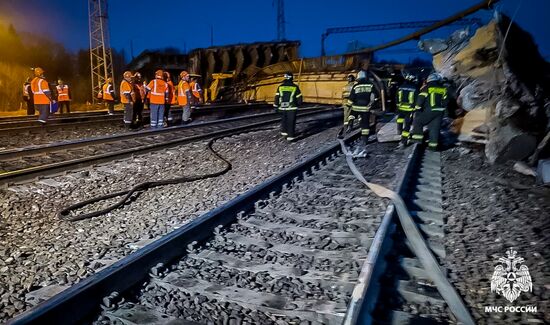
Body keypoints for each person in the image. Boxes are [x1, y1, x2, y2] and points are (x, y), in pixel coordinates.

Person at [410, 72, 449, 151]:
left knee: (418, 121)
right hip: (440, 112)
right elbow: (445, 101)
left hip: (430, 110)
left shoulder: (426, 88)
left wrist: (417, 109)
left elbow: (420, 99)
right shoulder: (443, 89)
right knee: (434, 129)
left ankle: (417, 140)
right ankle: (433, 147)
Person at [347, 70, 379, 158]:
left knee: (352, 115)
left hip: (356, 107)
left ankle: (350, 124)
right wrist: (371, 104)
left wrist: (348, 105)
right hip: (365, 108)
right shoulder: (371, 85)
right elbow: (374, 96)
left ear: (358, 77)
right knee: (365, 125)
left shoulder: (356, 86)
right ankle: (364, 140)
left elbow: (351, 98)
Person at [274, 71, 303, 141]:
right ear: (291, 78)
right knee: (291, 121)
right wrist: (298, 104)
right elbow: (299, 98)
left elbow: (277, 97)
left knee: (284, 120)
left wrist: (276, 106)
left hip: (282, 108)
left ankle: (284, 132)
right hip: (292, 107)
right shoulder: (295, 87)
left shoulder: (280, 87)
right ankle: (290, 136)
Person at [396, 73, 419, 146]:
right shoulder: (414, 88)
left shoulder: (400, 87)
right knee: (407, 125)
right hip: (409, 109)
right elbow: (416, 99)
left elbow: (396, 97)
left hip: (400, 107)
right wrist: (415, 108)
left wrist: (397, 105)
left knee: (400, 118)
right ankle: (404, 140)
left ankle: (399, 129)